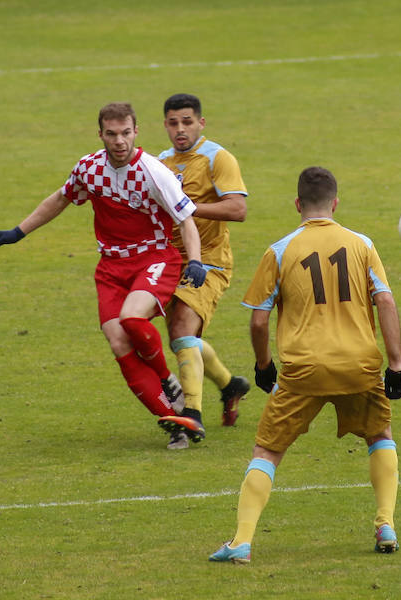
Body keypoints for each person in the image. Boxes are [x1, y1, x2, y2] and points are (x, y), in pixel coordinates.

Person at [209, 167, 401, 564]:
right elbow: (384, 301)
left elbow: (259, 319)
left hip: (303, 371)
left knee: (266, 451)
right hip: (360, 365)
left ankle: (242, 542)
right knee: (379, 434)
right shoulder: (362, 245)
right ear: (335, 203)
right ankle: (385, 523)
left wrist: (264, 365)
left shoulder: (280, 250)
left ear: (297, 204)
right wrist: (397, 366)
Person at [0, 102, 207, 442]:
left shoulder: (154, 171)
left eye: (125, 133)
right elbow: (60, 199)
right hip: (111, 267)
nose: (119, 141)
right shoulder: (89, 169)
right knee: (118, 340)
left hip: (154, 259)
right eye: (111, 134)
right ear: (100, 134)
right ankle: (176, 422)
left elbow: (186, 219)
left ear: (136, 131)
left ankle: (167, 379)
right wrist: (18, 232)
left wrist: (195, 261)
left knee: (132, 320)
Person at [153, 93, 252, 450]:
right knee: (182, 339)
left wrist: (188, 208)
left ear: (201, 123)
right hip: (170, 262)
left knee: (181, 330)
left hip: (209, 260)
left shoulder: (217, 157)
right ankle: (229, 385)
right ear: (165, 124)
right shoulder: (161, 161)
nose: (180, 130)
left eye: (187, 122)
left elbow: (237, 209)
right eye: (173, 123)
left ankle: (192, 413)